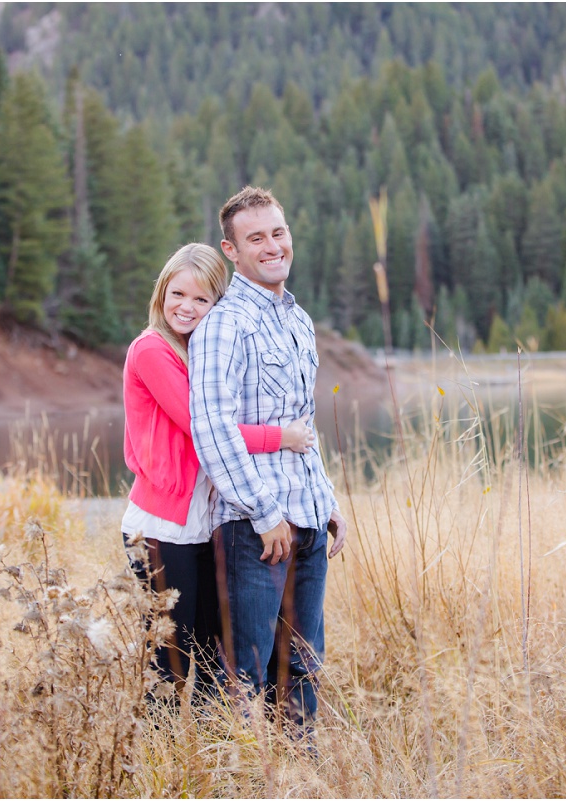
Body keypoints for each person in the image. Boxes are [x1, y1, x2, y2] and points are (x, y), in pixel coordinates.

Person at [121, 242, 315, 695]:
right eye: (177, 294)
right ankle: (161, 763)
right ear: (161, 294)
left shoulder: (203, 354)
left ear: (217, 305)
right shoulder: (151, 349)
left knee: (212, 657)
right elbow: (203, 427)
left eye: (201, 299)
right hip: (162, 529)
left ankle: (214, 759)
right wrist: (280, 437)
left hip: (204, 525)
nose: (186, 308)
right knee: (170, 663)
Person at [188, 186, 348, 735]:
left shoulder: (297, 320)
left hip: (306, 521)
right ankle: (239, 781)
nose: (272, 245)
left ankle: (300, 781)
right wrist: (263, 513)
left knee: (303, 665)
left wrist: (325, 499)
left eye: (277, 233)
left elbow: (301, 423)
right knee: (245, 676)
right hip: (256, 532)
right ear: (232, 250)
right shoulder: (223, 326)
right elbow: (213, 430)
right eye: (255, 238)